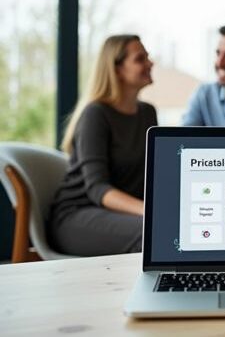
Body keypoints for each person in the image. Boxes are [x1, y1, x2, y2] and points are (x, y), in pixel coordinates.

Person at [49, 35, 157, 256]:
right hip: (79, 214)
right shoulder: (96, 114)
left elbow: (154, 177)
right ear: (116, 69)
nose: (150, 63)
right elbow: (98, 189)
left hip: (124, 214)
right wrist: (153, 212)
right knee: (154, 233)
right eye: (140, 58)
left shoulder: (148, 113)